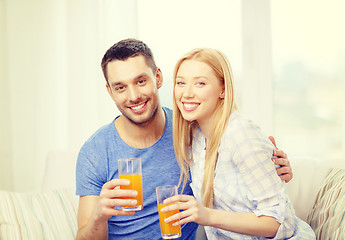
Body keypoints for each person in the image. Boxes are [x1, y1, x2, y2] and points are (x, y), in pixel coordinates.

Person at [75, 39, 293, 239]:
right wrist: (98, 216)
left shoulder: (190, 129)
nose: (133, 96)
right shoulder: (95, 151)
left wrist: (273, 164)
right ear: (110, 91)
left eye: (141, 81)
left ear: (158, 78)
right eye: (120, 87)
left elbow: (239, 156)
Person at [162, 48, 316, 239]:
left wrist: (207, 215)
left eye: (200, 83)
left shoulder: (241, 133)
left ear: (223, 89)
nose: (186, 93)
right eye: (180, 83)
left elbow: (278, 223)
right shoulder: (194, 135)